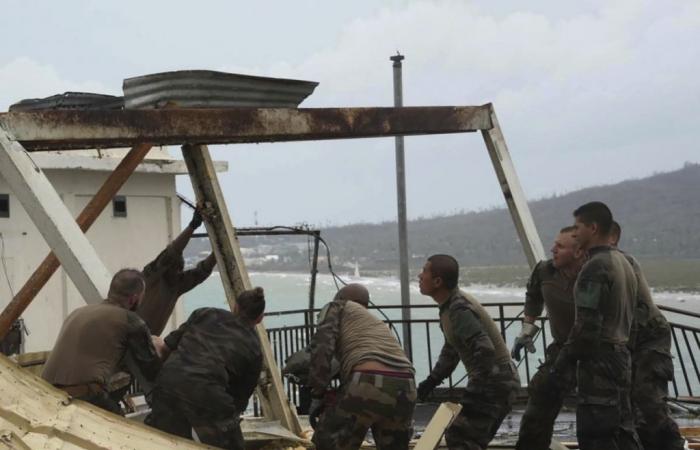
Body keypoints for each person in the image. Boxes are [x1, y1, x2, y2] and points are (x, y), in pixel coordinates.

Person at [552, 202, 641, 449]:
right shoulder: (622, 262)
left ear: (592, 228)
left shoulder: (595, 267)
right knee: (623, 431)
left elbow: (586, 328)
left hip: (600, 363)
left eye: (578, 227)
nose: (575, 233)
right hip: (621, 357)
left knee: (596, 434)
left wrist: (560, 366)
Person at [416, 255, 520, 450]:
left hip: (495, 382)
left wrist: (475, 390)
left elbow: (485, 351)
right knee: (467, 439)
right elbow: (452, 350)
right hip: (497, 381)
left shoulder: (458, 309)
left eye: (424, 271)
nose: (419, 276)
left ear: (438, 281)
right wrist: (431, 381)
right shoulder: (449, 308)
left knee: (461, 438)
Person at [145, 287, 266, 449]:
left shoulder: (205, 314)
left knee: (167, 443)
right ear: (259, 318)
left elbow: (167, 347)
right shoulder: (254, 348)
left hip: (168, 382)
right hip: (208, 393)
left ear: (235, 306)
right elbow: (240, 398)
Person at [308, 283, 416, 450]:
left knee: (327, 442)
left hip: (367, 379)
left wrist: (317, 393)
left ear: (341, 298)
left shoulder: (337, 306)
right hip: (406, 384)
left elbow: (322, 347)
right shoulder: (374, 324)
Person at [42, 269, 161, 414]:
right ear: (133, 299)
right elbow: (152, 369)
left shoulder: (78, 312)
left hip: (45, 392)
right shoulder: (130, 320)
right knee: (125, 430)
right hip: (83, 395)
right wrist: (160, 347)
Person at [610, 221, 685, 450]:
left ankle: (671, 445)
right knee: (629, 405)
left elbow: (628, 310)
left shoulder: (620, 263)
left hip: (648, 338)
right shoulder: (603, 263)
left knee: (649, 402)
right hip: (627, 342)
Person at [512, 226, 585, 450]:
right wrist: (527, 330)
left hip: (595, 352)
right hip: (562, 348)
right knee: (539, 402)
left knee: (599, 415)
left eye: (560, 246)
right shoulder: (545, 271)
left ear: (579, 252)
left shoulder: (595, 274)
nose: (553, 249)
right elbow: (533, 295)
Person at [137, 209, 216, 335]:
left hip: (148, 341)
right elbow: (172, 252)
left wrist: (217, 250)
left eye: (180, 270)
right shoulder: (149, 276)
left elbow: (201, 272)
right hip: (130, 338)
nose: (178, 273)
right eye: (176, 269)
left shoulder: (175, 286)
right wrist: (192, 225)